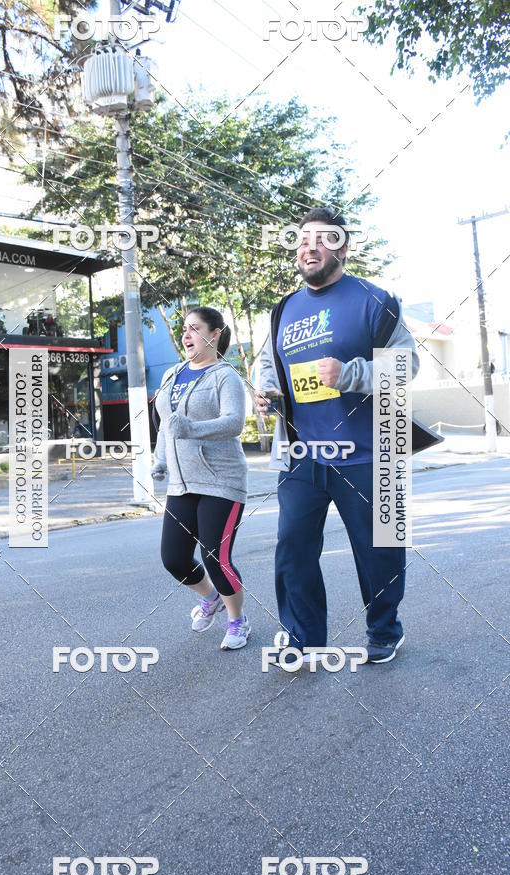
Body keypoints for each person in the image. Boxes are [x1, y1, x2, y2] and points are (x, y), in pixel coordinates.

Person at [256, 207, 419, 665]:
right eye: (302, 240)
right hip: (303, 454)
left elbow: (407, 365)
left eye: (321, 239)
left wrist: (349, 374)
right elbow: (269, 365)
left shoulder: (375, 300)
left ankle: (384, 629)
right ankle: (303, 639)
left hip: (371, 454)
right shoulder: (283, 310)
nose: (308, 247)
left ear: (342, 248)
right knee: (293, 548)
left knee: (379, 550)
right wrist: (268, 391)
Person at [152, 306, 251, 650]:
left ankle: (237, 620)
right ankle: (210, 597)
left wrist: (192, 429)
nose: (186, 334)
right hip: (181, 483)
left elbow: (234, 423)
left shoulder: (225, 376)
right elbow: (166, 425)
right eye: (185, 328)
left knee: (215, 558)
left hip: (221, 481)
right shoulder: (172, 375)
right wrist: (160, 459)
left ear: (215, 334)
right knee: (174, 559)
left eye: (195, 328)